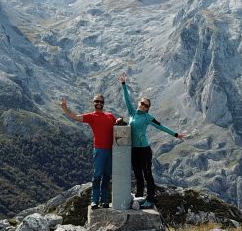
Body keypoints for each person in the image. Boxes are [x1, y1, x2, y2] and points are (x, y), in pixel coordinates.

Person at [120, 73, 185, 209]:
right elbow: (127, 100)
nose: (143, 106)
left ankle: (150, 199)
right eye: (142, 103)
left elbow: (160, 126)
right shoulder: (132, 113)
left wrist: (175, 134)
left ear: (148, 108)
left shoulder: (148, 117)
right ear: (139, 103)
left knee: (147, 174)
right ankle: (138, 198)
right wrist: (124, 84)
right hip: (134, 149)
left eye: (146, 105)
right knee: (138, 174)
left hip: (144, 150)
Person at [60, 93, 122, 209]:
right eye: (97, 101)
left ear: (103, 104)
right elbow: (76, 117)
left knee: (107, 175)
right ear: (93, 103)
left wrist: (120, 120)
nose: (99, 103)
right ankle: (94, 200)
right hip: (100, 149)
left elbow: (118, 125)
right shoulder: (91, 116)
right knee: (97, 175)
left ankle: (104, 201)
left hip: (112, 150)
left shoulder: (110, 116)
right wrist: (64, 108)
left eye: (101, 102)